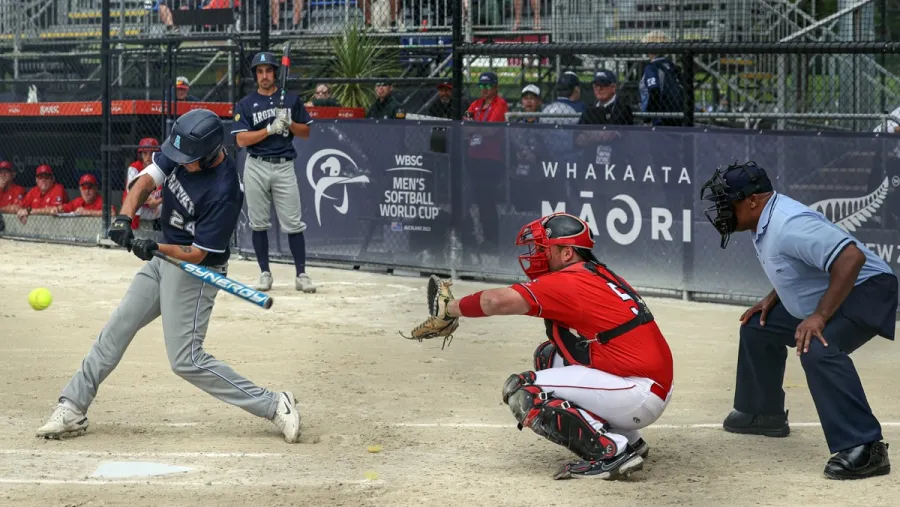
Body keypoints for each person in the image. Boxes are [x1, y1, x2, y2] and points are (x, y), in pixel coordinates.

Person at [35, 109, 302, 444]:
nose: (179, 162)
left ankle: (274, 403)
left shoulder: (225, 190)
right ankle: (73, 405)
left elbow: (197, 253)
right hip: (162, 260)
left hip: (196, 271)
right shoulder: (184, 148)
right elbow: (145, 181)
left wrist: (154, 246)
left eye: (187, 160)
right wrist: (124, 218)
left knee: (186, 360)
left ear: (209, 156)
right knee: (118, 327)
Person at [404, 212, 674, 480]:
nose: (538, 255)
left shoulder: (568, 281)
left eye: (545, 248)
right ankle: (629, 439)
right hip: (646, 381)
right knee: (549, 356)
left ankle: (611, 453)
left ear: (567, 253)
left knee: (522, 391)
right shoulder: (595, 272)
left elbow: (494, 302)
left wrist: (449, 308)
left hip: (638, 392)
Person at [699, 161, 896, 480]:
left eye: (727, 203)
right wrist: (775, 295)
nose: (721, 211)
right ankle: (762, 413)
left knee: (818, 348)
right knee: (758, 326)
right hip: (841, 288)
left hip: (870, 290)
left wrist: (819, 316)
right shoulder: (764, 219)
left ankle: (865, 446)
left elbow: (851, 258)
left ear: (752, 200)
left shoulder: (788, 223)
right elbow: (801, 267)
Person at [231, 51, 316, 293]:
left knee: (294, 223)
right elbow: (241, 140)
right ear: (255, 76)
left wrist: (289, 123)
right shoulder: (246, 104)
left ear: (275, 73)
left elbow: (306, 132)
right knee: (258, 222)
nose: (265, 76)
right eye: (260, 72)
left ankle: (301, 274)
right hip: (256, 164)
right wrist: (268, 129)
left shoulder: (291, 100)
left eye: (268, 71)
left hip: (284, 165)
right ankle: (265, 273)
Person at [639, 31, 685, 127]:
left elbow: (654, 90)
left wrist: (648, 117)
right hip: (678, 117)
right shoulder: (673, 67)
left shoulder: (651, 68)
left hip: (659, 119)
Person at [125, 137, 164, 231]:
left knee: (169, 206)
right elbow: (133, 191)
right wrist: (149, 201)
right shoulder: (134, 167)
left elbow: (170, 192)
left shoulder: (161, 167)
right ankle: (133, 232)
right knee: (135, 203)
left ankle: (165, 232)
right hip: (140, 206)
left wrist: (157, 202)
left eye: (151, 153)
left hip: (154, 207)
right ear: (140, 154)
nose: (148, 157)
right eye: (145, 153)